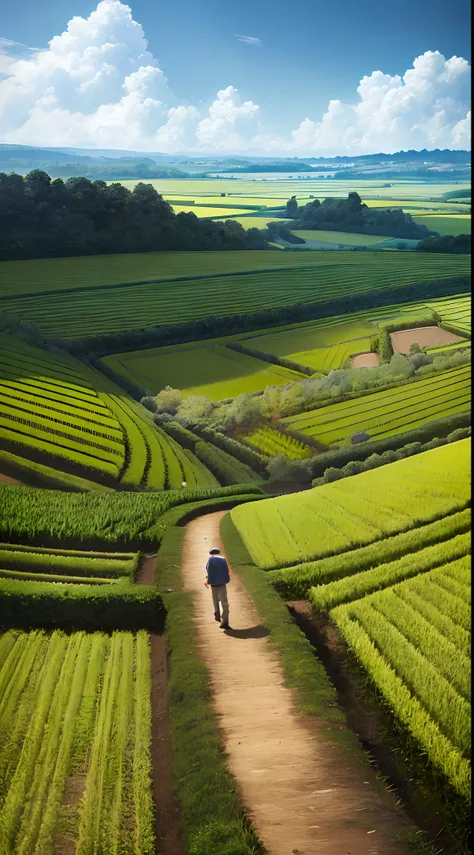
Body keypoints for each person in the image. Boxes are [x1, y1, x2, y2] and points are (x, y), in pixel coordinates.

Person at [205, 547, 230, 629]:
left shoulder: (210, 560)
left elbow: (208, 570)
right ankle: (225, 621)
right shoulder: (223, 559)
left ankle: (217, 613)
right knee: (224, 602)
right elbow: (226, 571)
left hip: (213, 584)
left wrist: (207, 580)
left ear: (211, 553)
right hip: (222, 583)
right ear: (219, 552)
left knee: (215, 600)